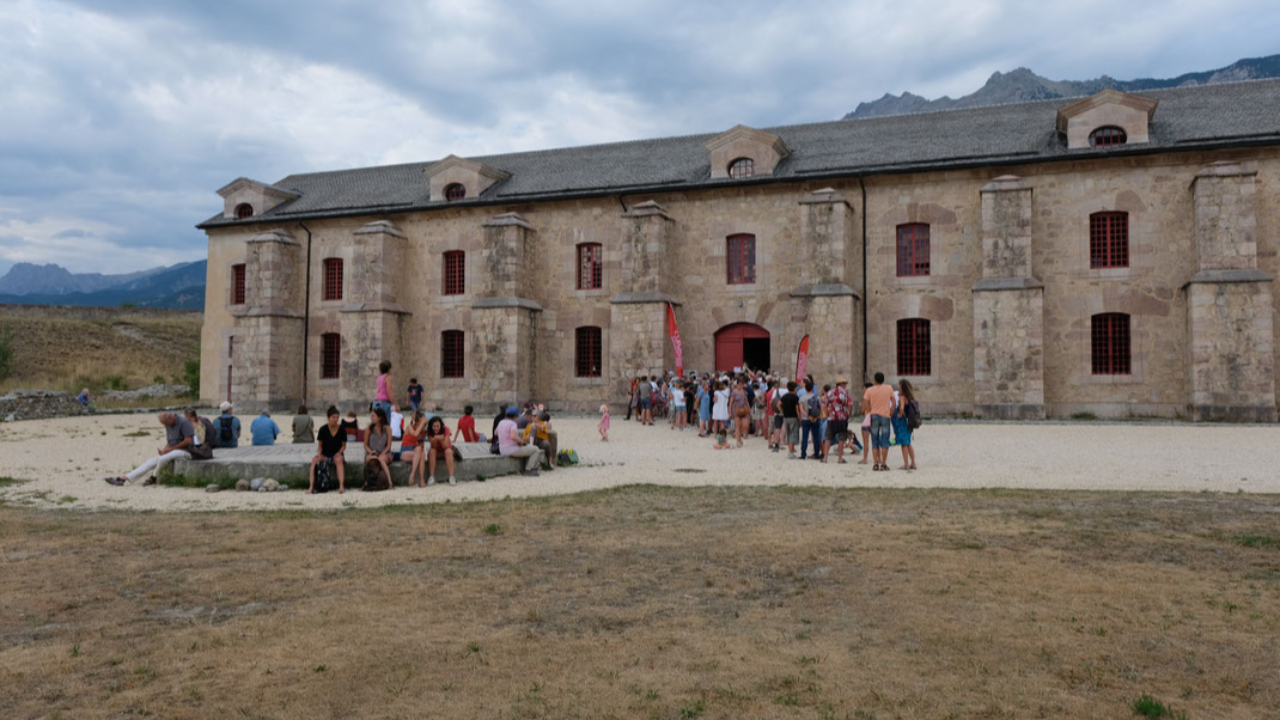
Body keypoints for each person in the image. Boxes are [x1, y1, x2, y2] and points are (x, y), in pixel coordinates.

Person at [104, 413, 196, 486]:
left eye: (165, 424)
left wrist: (171, 449)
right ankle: (123, 478)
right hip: (174, 451)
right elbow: (170, 442)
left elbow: (188, 440)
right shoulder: (169, 424)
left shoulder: (184, 422)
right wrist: (164, 451)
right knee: (150, 462)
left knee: (162, 459)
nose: (165, 426)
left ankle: (153, 477)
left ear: (171, 418)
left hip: (187, 451)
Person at [308, 406, 347, 494]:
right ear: (328, 418)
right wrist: (319, 454)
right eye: (333, 417)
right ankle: (311, 486)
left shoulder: (341, 429)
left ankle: (341, 485)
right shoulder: (323, 429)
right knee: (314, 460)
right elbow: (320, 446)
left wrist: (339, 453)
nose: (336, 419)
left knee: (338, 460)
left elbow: (344, 445)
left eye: (337, 417)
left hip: (336, 454)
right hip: (325, 454)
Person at [864, 372, 896, 472]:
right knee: (885, 440)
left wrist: (869, 412)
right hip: (885, 415)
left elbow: (866, 404)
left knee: (874, 440)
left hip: (874, 415)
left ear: (875, 380)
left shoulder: (869, 390)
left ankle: (875, 464)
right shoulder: (889, 388)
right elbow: (894, 402)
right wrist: (890, 412)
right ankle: (883, 464)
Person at [496, 405, 542, 476]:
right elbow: (513, 436)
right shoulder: (513, 423)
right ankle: (529, 469)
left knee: (529, 448)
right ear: (515, 416)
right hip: (511, 449)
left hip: (502, 449)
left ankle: (527, 468)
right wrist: (521, 441)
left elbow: (496, 433)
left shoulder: (501, 422)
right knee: (535, 449)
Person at [823, 377, 854, 464]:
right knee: (841, 438)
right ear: (841, 384)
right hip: (842, 418)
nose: (845, 385)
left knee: (828, 438)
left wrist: (827, 414)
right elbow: (850, 404)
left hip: (832, 418)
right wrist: (849, 414)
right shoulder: (845, 393)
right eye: (844, 383)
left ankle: (825, 458)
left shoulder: (829, 392)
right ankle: (840, 458)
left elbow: (824, 404)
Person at [364, 408, 393, 487]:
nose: (371, 418)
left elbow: (388, 446)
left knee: (380, 459)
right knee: (372, 458)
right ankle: (367, 482)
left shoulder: (388, 429)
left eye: (373, 416)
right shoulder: (369, 429)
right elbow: (365, 445)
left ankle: (389, 482)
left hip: (384, 452)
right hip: (372, 452)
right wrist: (371, 452)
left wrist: (382, 453)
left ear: (379, 417)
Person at [424, 415, 456, 486]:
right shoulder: (429, 431)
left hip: (445, 450)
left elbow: (446, 445)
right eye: (434, 426)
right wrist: (436, 439)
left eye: (437, 426)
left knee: (448, 451)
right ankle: (431, 476)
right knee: (432, 451)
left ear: (441, 426)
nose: (435, 428)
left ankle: (451, 476)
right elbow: (433, 445)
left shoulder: (446, 429)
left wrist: (440, 439)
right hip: (436, 450)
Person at [895, 379, 918, 471]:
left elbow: (901, 408)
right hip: (909, 422)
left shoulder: (902, 397)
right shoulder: (909, 397)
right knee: (908, 443)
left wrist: (899, 414)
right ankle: (913, 462)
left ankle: (906, 464)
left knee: (903, 444)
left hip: (903, 422)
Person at [403, 409, 427, 486]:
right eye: (420, 422)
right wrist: (423, 422)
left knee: (421, 453)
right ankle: (413, 475)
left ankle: (421, 480)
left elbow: (420, 445)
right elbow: (415, 434)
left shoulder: (422, 431)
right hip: (406, 451)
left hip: (416, 453)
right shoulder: (409, 427)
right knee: (420, 453)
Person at [799, 378, 821, 460]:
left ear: (805, 388)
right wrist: (816, 417)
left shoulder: (802, 398)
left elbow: (801, 409)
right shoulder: (817, 397)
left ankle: (803, 454)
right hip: (815, 419)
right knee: (816, 437)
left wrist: (808, 416)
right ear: (812, 388)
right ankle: (817, 453)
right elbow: (820, 408)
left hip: (805, 419)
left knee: (805, 437)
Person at [729, 376, 749, 447]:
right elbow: (730, 403)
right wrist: (730, 412)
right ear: (737, 384)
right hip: (736, 410)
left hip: (743, 410)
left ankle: (739, 437)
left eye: (742, 384)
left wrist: (749, 410)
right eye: (740, 384)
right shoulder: (734, 392)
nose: (741, 386)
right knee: (738, 426)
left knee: (745, 425)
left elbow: (746, 401)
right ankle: (738, 440)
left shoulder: (744, 392)